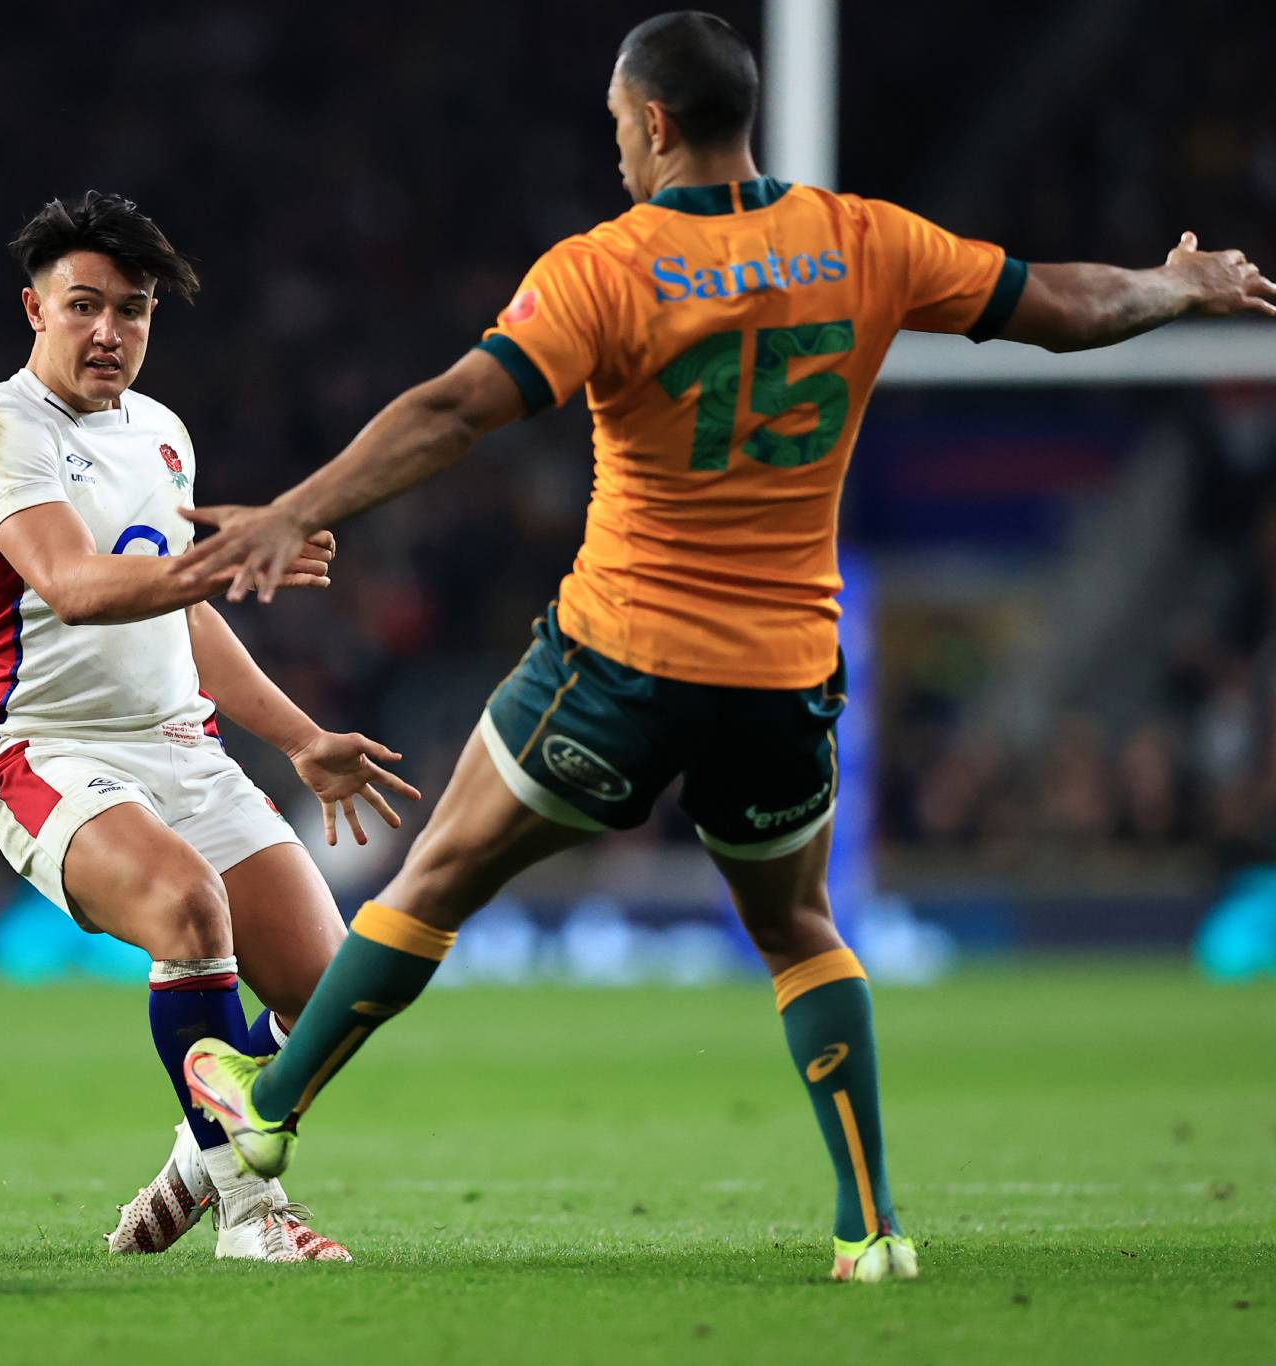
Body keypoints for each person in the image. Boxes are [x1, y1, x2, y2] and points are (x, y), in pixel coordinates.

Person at [170, 11, 1276, 1283]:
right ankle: (870, 1228)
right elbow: (1060, 303)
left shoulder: (607, 264)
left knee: (435, 880)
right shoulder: (861, 238)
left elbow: (455, 408)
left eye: (615, 129)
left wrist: (294, 511)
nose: (617, 156)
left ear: (650, 122)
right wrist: (1173, 286)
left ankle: (265, 1110)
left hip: (618, 660)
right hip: (783, 675)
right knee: (801, 924)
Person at [0, 191, 418, 1262]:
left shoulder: (160, 434)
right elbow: (72, 584)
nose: (109, 331)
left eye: (134, 309)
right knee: (185, 909)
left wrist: (299, 737)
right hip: (50, 752)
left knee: (333, 993)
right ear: (34, 310)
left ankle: (195, 1160)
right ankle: (252, 1216)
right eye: (84, 306)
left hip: (181, 750)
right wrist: (230, 552)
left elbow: (183, 609)